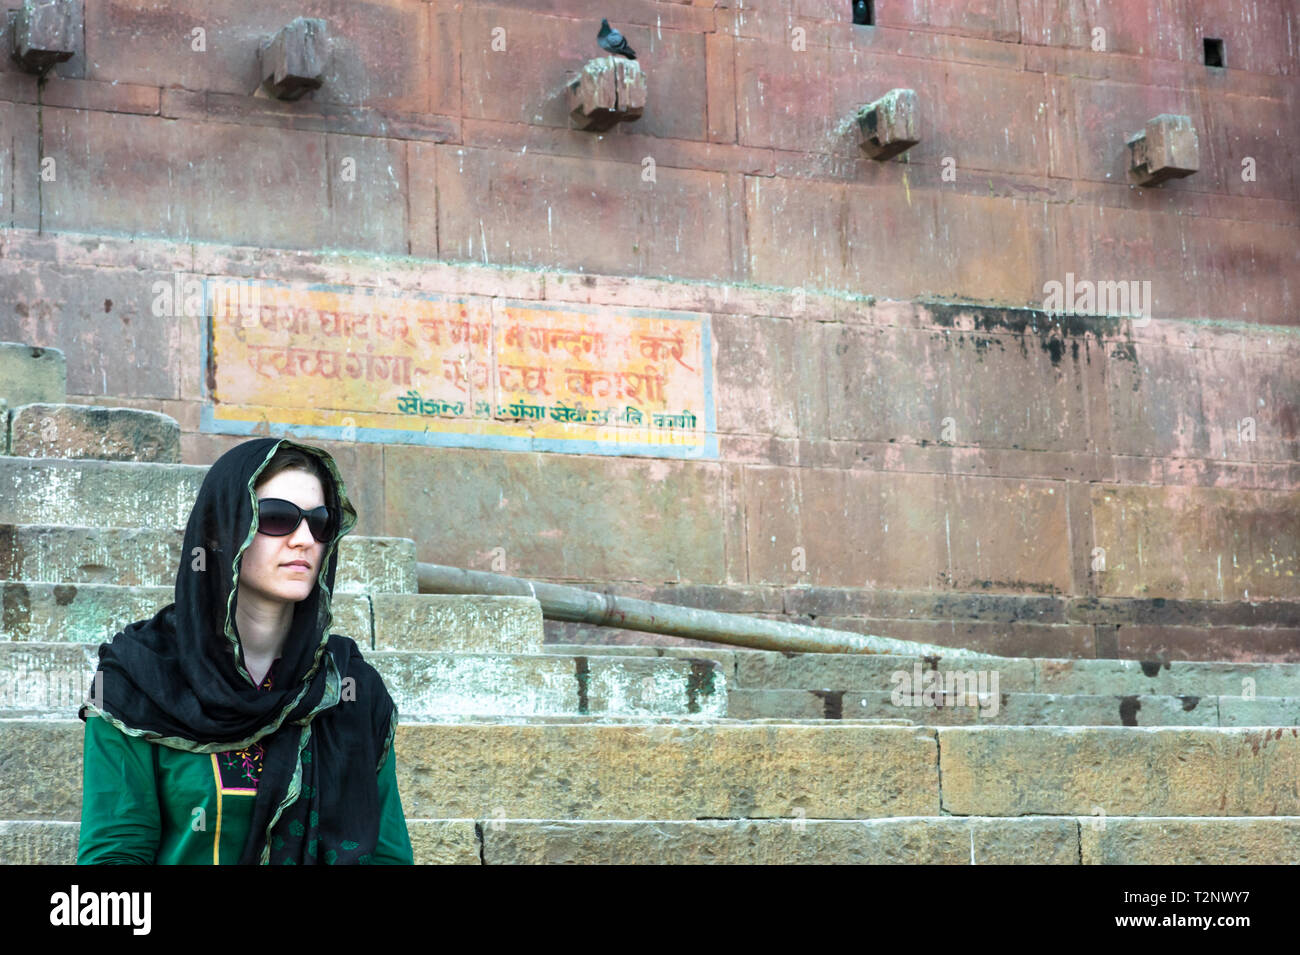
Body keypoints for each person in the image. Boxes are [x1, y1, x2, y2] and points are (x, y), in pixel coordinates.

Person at [77, 437, 413, 864]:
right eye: (277, 518)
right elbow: (115, 856)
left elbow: (387, 855)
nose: (304, 539)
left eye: (320, 522)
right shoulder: (138, 680)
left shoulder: (348, 688)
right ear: (219, 532)